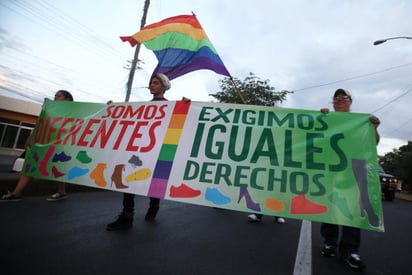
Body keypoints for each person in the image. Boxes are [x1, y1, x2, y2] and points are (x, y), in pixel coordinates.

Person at [106, 73, 190, 231]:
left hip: (159, 150)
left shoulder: (172, 106)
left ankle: (154, 203)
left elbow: (183, 122)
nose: (152, 85)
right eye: (151, 82)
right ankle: (127, 215)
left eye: (156, 83)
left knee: (155, 180)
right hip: (140, 149)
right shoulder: (143, 108)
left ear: (163, 87)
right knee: (128, 179)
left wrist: (187, 105)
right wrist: (113, 109)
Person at [319, 88, 381, 270]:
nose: (339, 100)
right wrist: (320, 118)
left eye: (343, 97)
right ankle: (329, 242)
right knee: (331, 205)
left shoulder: (362, 122)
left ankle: (350, 250)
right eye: (336, 98)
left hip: (355, 168)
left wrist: (374, 128)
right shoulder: (327, 118)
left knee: (353, 208)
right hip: (332, 167)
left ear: (350, 102)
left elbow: (373, 142)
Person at [0, 90, 74, 202]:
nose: (55, 97)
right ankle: (16, 193)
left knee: (57, 166)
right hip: (44, 142)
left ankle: (61, 191)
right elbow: (41, 124)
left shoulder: (74, 112)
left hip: (59, 145)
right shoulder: (50, 109)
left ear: (67, 100)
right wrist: (31, 137)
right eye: (55, 95)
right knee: (31, 164)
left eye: (58, 96)